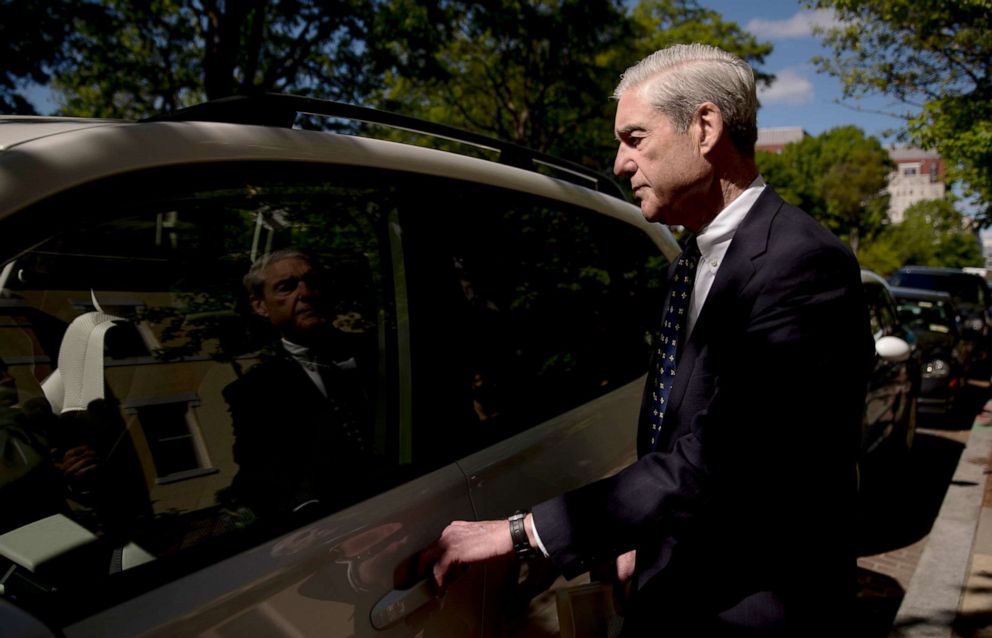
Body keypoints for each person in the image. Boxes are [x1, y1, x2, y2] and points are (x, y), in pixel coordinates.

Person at [430, 43, 875, 636]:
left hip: (751, 608)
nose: (619, 164)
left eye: (633, 138)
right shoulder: (685, 266)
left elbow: (723, 460)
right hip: (674, 583)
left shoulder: (802, 265)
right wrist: (642, 535)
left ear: (706, 127)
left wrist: (522, 532)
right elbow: (678, 430)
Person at [223, 249, 375, 519]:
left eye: (313, 282)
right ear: (260, 305)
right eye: (286, 287)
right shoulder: (253, 393)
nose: (306, 293)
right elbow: (261, 475)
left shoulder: (379, 352)